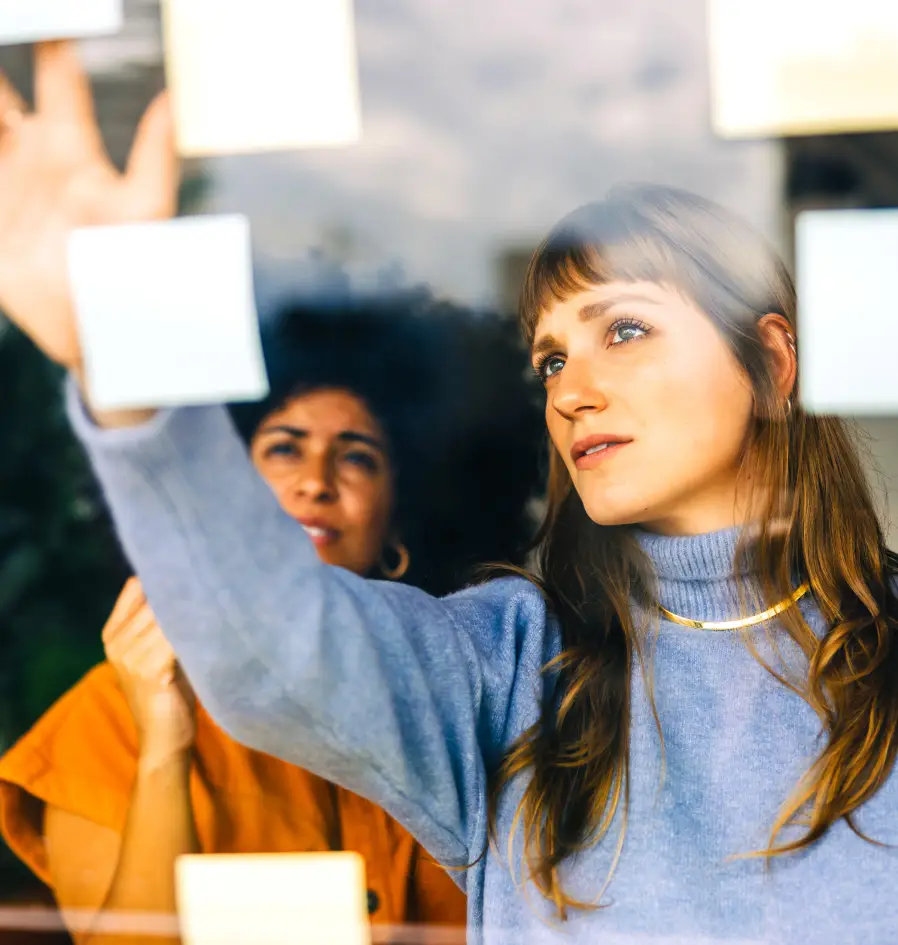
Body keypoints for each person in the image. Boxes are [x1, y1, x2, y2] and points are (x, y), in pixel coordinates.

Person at [2, 40, 898, 945]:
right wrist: (124, 369)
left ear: (773, 360)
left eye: (624, 329)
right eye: (550, 358)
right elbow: (271, 645)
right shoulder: (514, 666)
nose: (569, 390)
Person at [0, 293, 543, 945]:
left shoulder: (475, 704)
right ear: (221, 499)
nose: (316, 479)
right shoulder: (107, 719)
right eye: (285, 448)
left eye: (357, 456)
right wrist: (163, 750)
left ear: (398, 531)